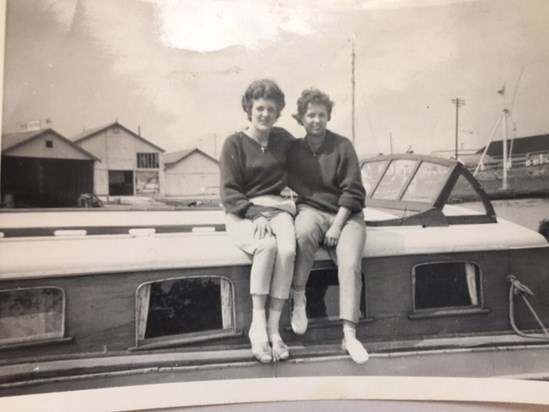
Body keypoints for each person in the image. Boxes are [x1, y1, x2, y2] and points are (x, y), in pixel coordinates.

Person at [287, 88, 369, 364]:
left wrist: (336, 226)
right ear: (301, 118)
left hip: (346, 215)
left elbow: (354, 191)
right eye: (310, 115)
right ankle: (299, 300)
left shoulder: (342, 146)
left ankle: (349, 334)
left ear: (328, 116)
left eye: (322, 115)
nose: (316, 120)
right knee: (302, 235)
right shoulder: (295, 150)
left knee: (349, 264)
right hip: (311, 210)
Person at [219, 79, 296, 363]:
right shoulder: (234, 144)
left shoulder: (284, 140)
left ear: (278, 113)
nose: (265, 114)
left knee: (288, 250)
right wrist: (253, 213)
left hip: (279, 210)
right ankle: (258, 327)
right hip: (243, 212)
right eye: (260, 108)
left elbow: (312, 161)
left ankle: (275, 330)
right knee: (267, 247)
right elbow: (229, 193)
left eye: (271, 109)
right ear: (249, 109)